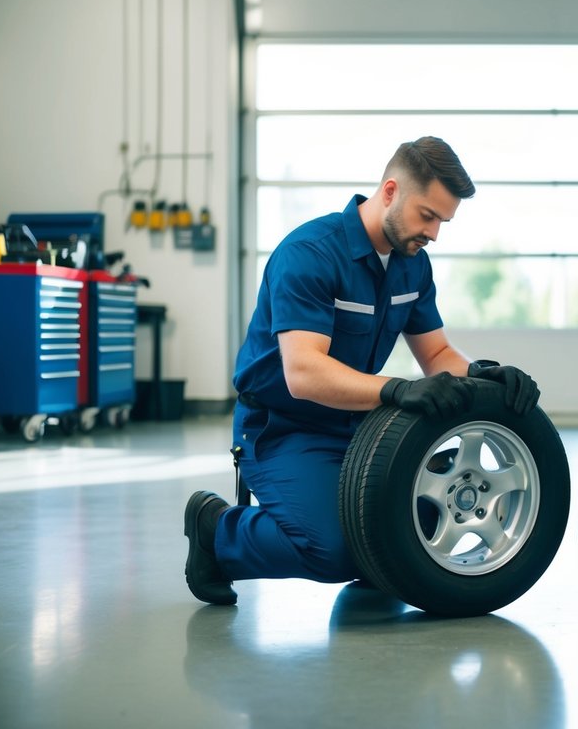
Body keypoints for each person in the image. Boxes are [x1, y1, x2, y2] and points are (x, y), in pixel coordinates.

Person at [183, 136, 540, 605]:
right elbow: (304, 373)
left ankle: (371, 555)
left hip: (359, 424)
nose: (433, 234)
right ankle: (217, 531)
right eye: (427, 216)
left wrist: (483, 374)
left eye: (443, 222)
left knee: (422, 527)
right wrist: (395, 391)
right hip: (283, 427)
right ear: (390, 192)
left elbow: (436, 355)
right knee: (332, 550)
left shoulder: (413, 267)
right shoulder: (309, 253)